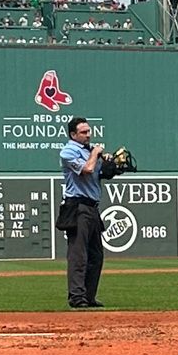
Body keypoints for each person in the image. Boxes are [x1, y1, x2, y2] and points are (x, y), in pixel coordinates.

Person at [59, 117, 107, 309]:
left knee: (96, 255)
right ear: (73, 134)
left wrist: (112, 164)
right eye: (83, 132)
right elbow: (87, 169)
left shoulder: (89, 151)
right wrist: (95, 153)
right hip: (77, 206)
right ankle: (77, 297)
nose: (88, 135)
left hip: (93, 207)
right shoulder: (68, 151)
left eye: (89, 131)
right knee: (78, 255)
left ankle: (88, 296)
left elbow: (100, 173)